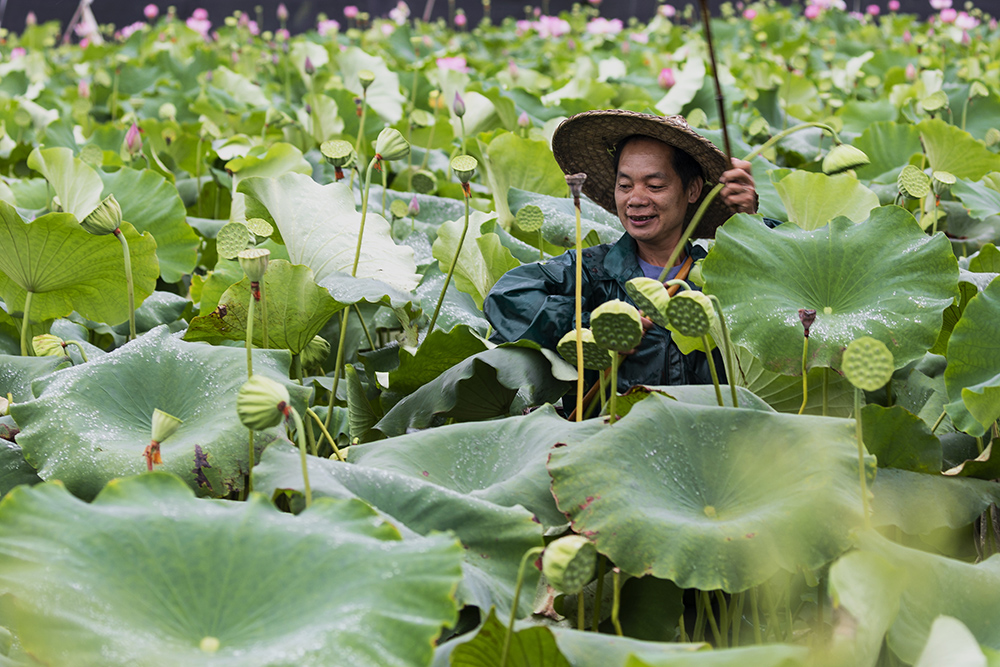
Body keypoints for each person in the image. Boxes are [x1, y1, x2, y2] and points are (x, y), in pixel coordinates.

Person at [482, 110, 759, 394]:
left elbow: (778, 299)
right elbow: (507, 297)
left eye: (655, 186)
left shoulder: (718, 277)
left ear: (693, 190)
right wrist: (596, 325)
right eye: (625, 185)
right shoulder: (592, 270)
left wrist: (750, 226)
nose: (635, 200)